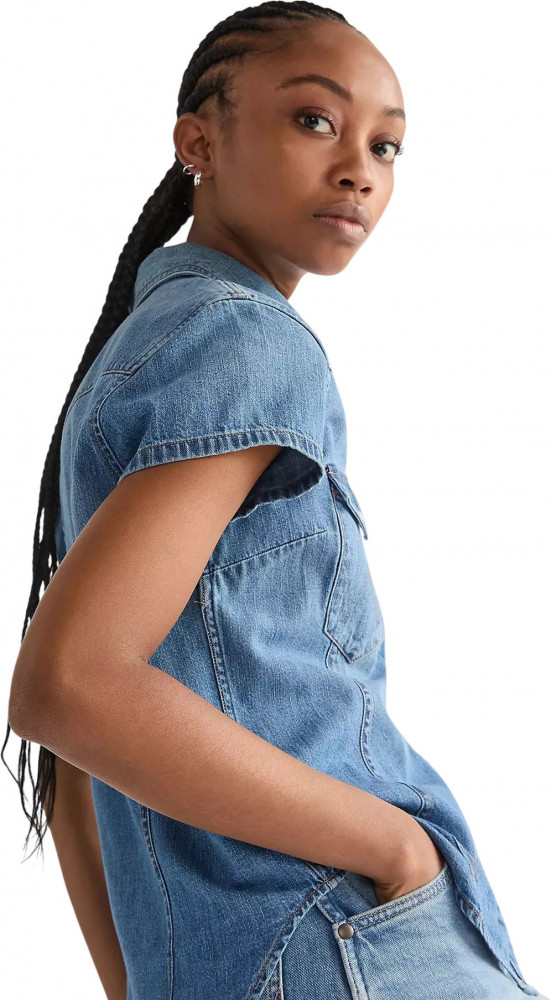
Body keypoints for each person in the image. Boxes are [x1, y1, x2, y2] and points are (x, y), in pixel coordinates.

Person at [3, 3, 547, 999]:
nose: (358, 169)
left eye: (385, 145)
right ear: (198, 143)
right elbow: (70, 688)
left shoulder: (150, 347)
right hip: (353, 937)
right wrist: (393, 848)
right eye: (314, 120)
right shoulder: (247, 340)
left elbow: (76, 767)